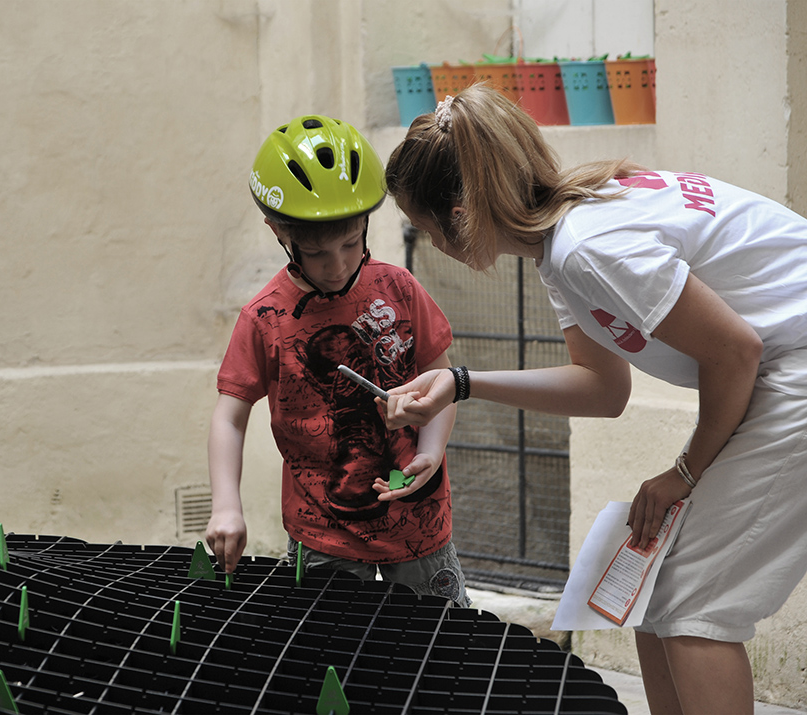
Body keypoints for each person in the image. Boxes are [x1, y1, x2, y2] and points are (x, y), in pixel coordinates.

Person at [379, 84, 807, 714]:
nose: (432, 244)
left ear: (462, 209)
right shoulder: (564, 242)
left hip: (792, 368)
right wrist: (462, 384)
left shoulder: (587, 247)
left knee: (695, 610)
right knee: (653, 591)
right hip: (778, 366)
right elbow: (604, 389)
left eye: (424, 225)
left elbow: (735, 352)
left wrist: (684, 472)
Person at [205, 114, 471, 607]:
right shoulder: (264, 317)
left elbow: (443, 380)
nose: (340, 264)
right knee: (334, 665)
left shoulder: (400, 288)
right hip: (323, 534)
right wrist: (226, 505)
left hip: (417, 521)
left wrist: (431, 452)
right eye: (318, 252)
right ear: (279, 232)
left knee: (435, 654)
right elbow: (230, 416)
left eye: (351, 244)